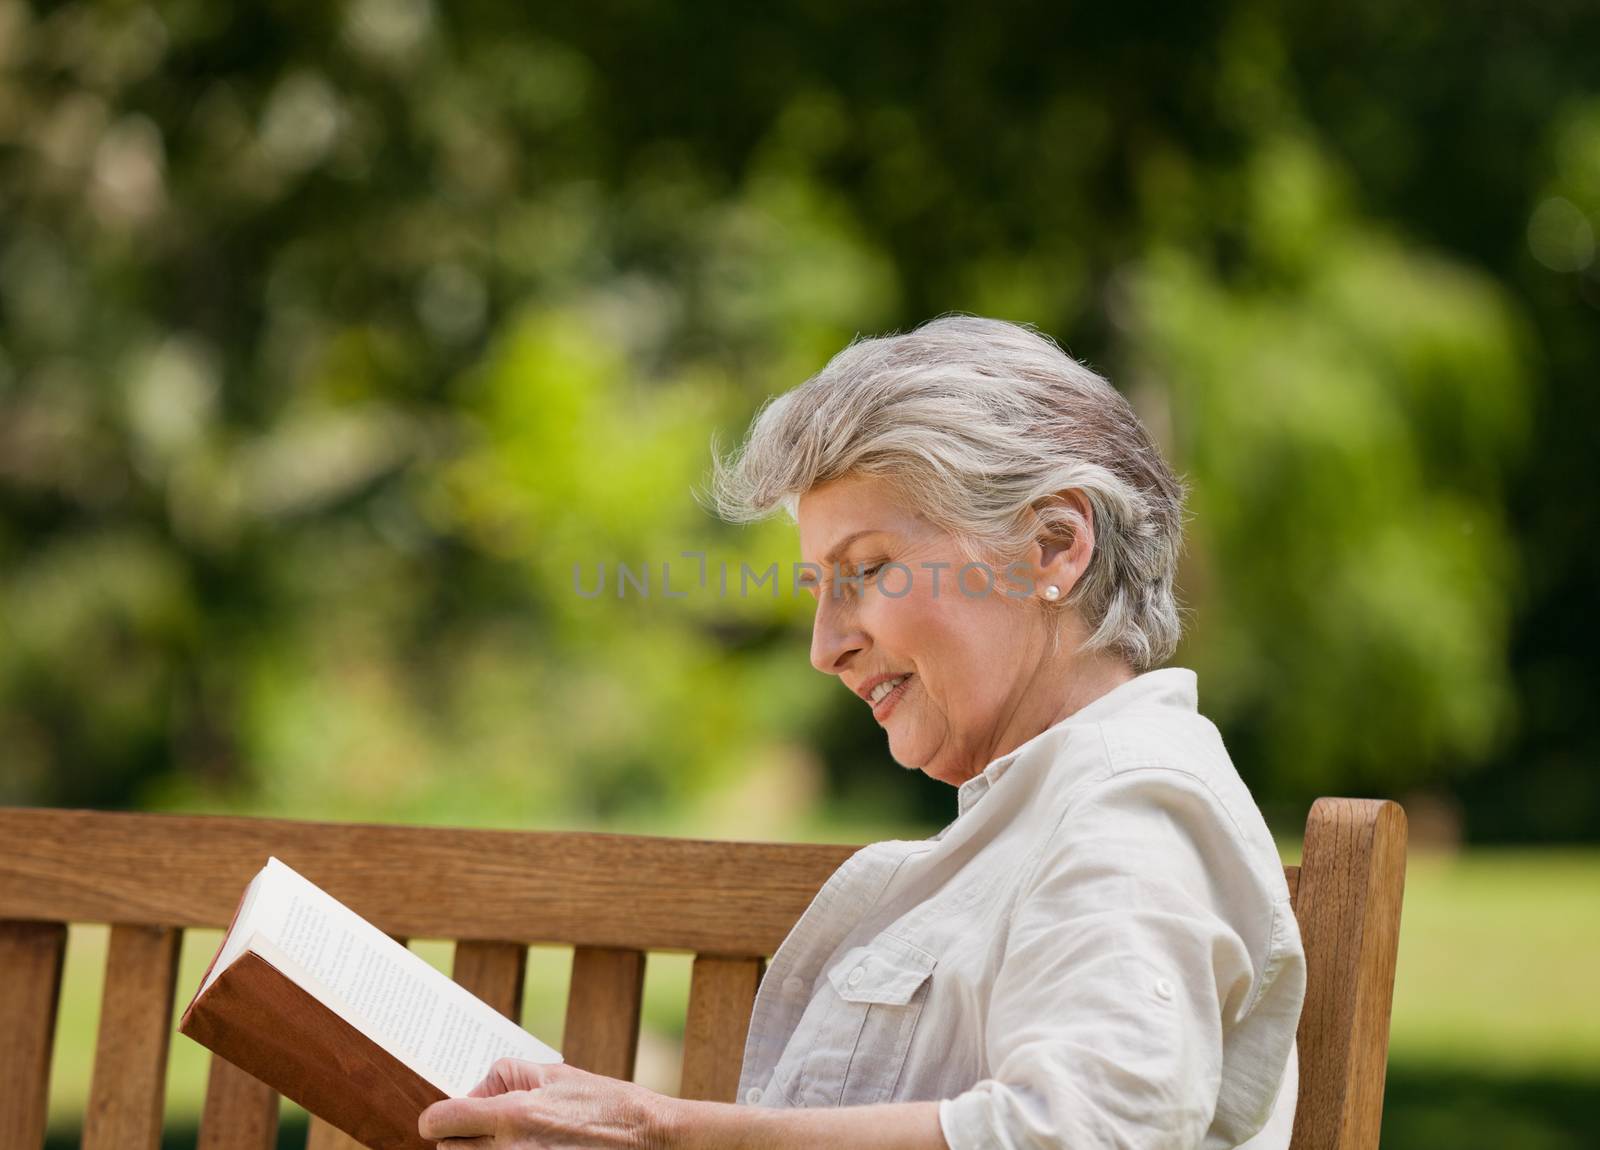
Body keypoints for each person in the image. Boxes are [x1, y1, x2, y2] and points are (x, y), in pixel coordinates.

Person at [418, 316, 1305, 1149]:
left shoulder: (1137, 811)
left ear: (1053, 547)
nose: (825, 647)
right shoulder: (1041, 814)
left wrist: (668, 1132)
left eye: (867, 570)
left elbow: (1083, 1134)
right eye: (818, 588)